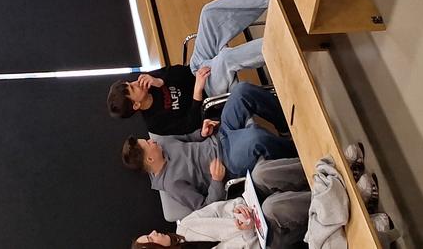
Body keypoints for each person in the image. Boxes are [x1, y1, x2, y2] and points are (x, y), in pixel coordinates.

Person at [108, 0, 285, 135]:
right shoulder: (155, 123)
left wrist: (160, 81)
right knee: (225, 59)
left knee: (208, 13)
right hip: (209, 94)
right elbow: (192, 123)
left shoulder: (148, 81)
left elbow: (181, 70)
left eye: (130, 83)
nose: (136, 83)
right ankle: (281, 44)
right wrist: (198, 91)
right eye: (132, 88)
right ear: (136, 105)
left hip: (196, 69)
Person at [121, 82, 296, 212]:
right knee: (254, 137)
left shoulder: (163, 143)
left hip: (221, 135)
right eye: (148, 143)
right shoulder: (172, 185)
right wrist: (216, 180)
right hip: (228, 160)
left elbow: (189, 137)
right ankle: (295, 152)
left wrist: (202, 132)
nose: (152, 141)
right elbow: (206, 208)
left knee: (242, 91)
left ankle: (286, 126)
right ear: (150, 159)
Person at [132, 157, 312, 249]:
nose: (153, 232)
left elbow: (217, 209)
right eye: (151, 238)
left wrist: (239, 210)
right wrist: (248, 230)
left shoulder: (185, 227)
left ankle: (313, 166)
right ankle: (321, 196)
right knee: (271, 208)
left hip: (250, 210)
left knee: (260, 173)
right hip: (263, 242)